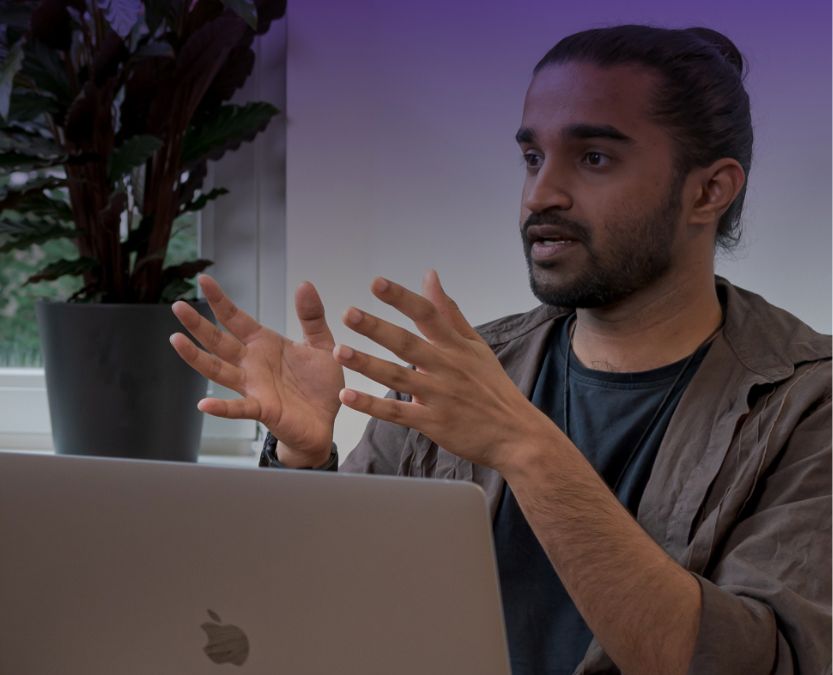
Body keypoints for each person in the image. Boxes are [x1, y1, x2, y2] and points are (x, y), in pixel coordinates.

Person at [169, 24, 831, 675]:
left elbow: (763, 662)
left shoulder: (808, 403)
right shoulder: (457, 372)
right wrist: (304, 459)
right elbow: (328, 612)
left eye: (593, 157)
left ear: (708, 191)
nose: (541, 194)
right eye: (531, 158)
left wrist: (524, 447)